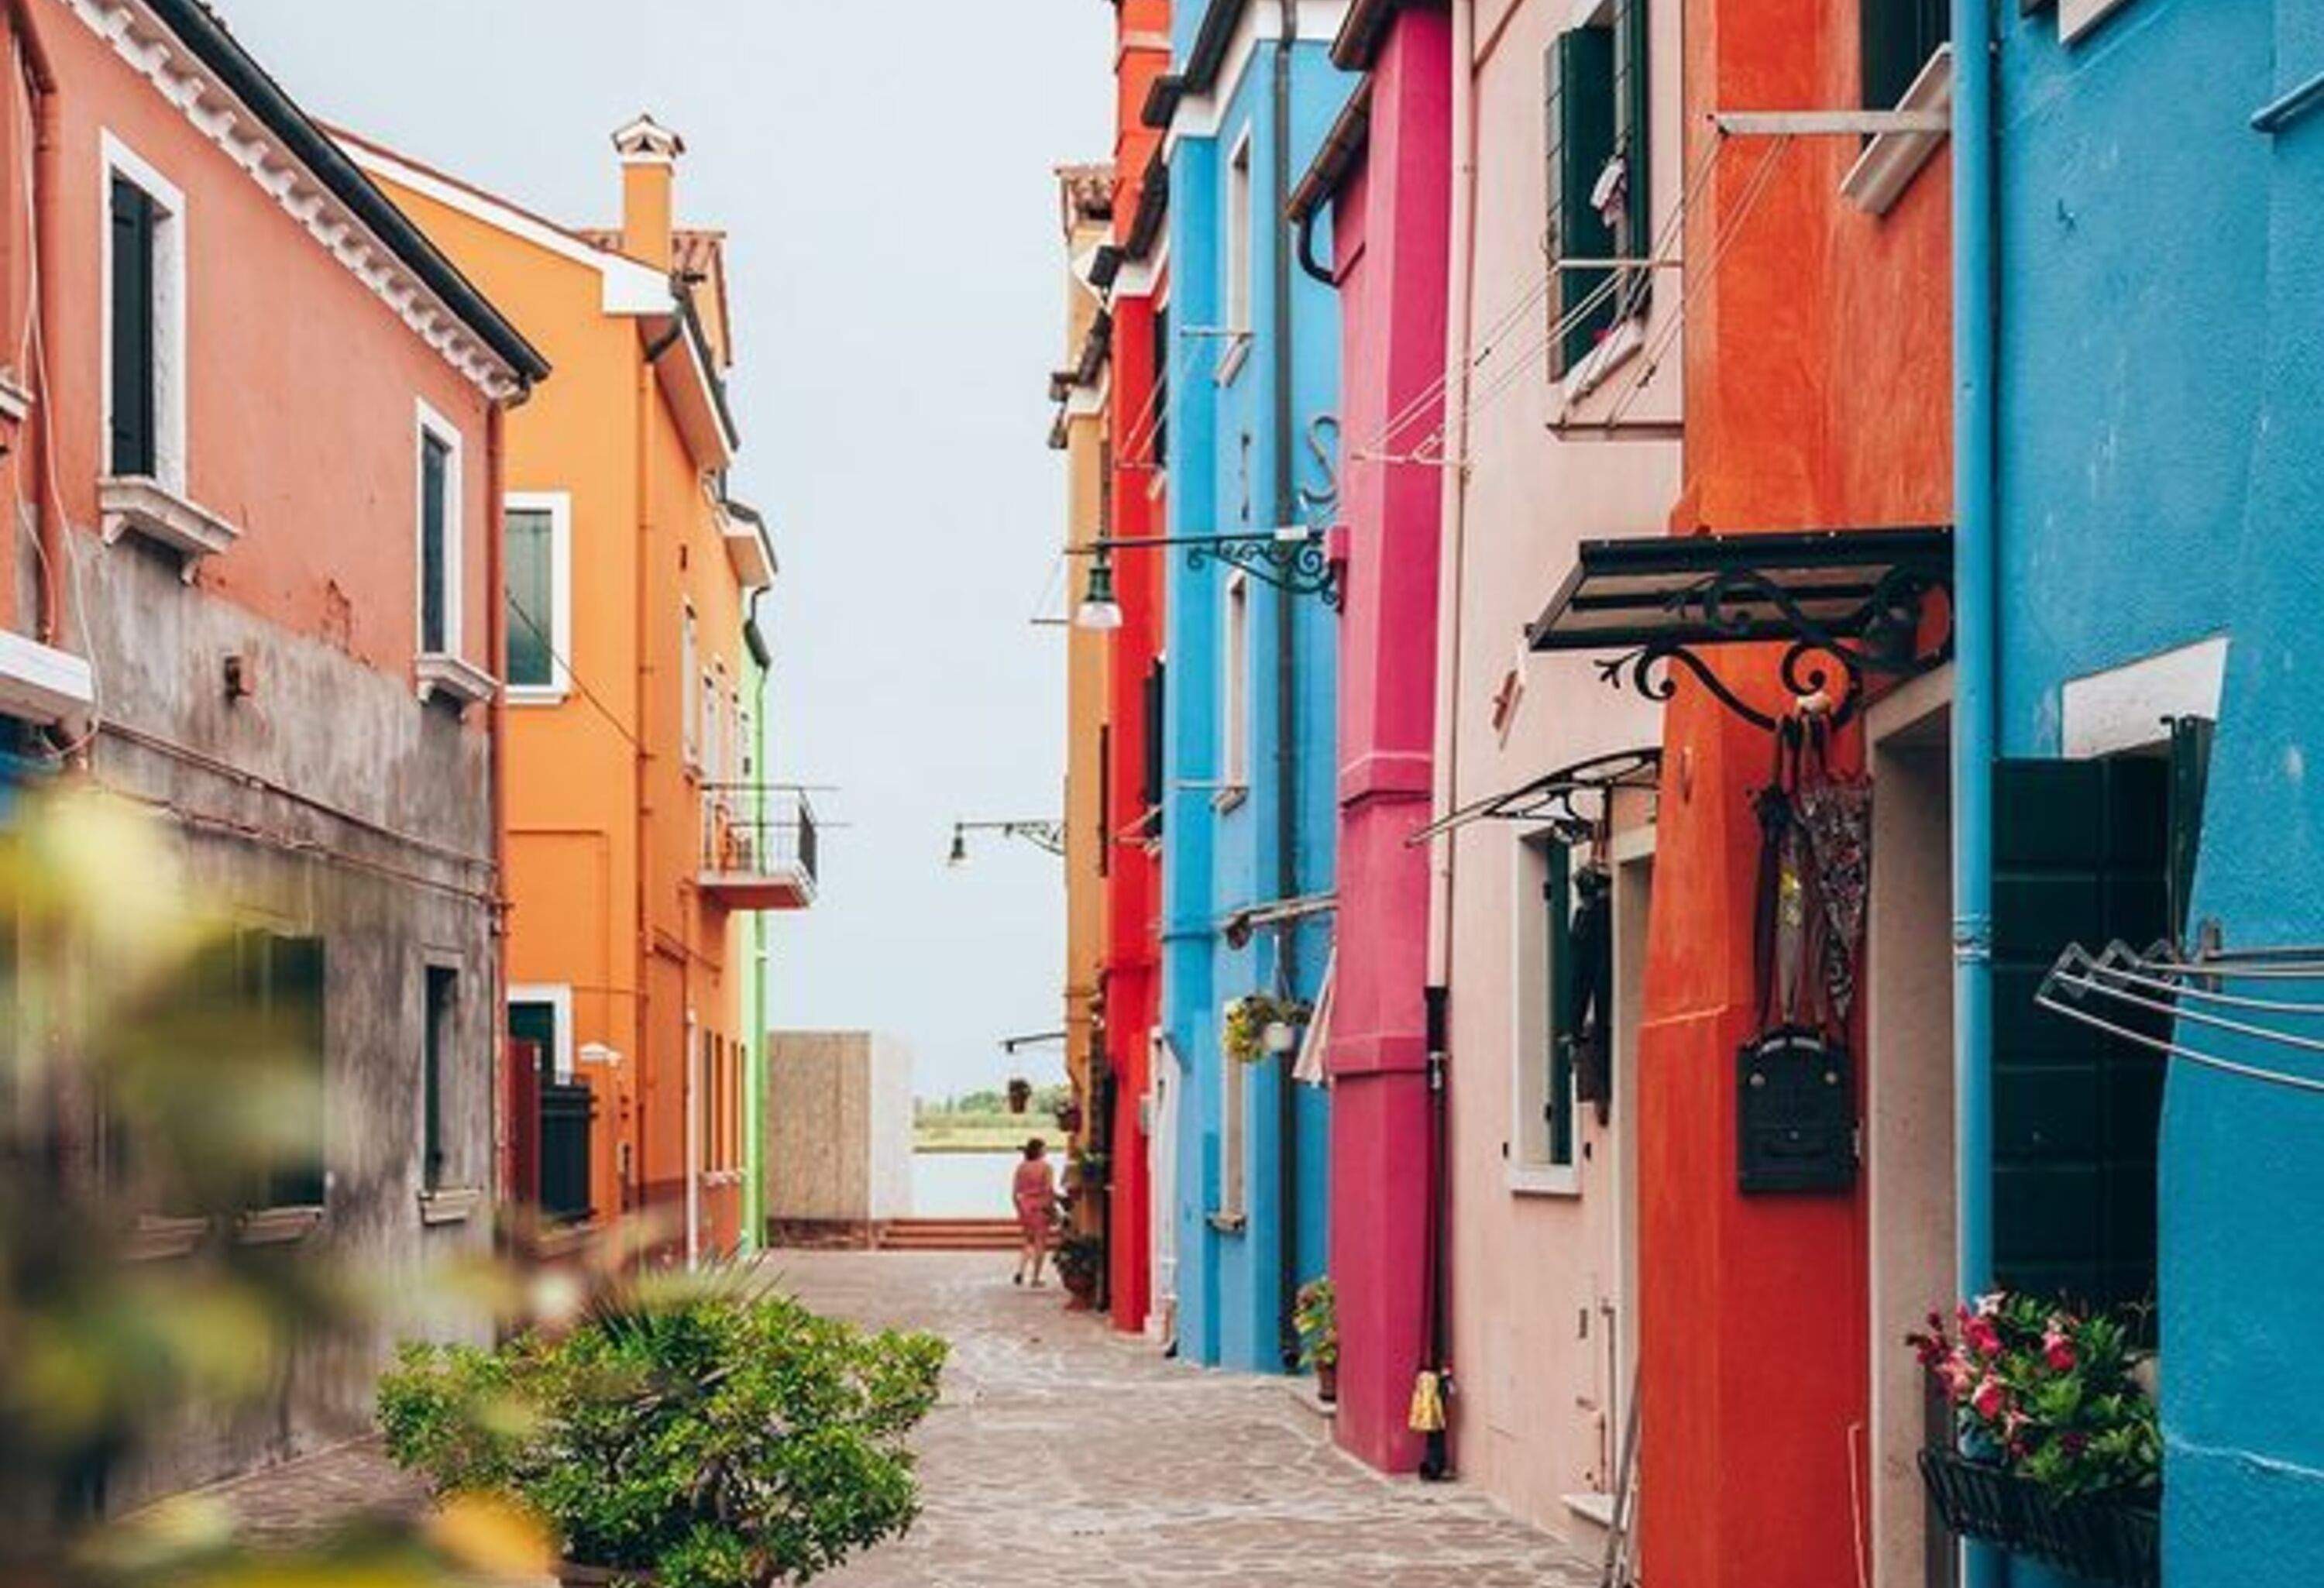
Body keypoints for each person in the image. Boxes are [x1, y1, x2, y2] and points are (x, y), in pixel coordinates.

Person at [1010, 1137, 1056, 1287]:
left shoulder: (1021, 1167)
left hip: (1025, 1205)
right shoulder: (1046, 1167)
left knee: (1028, 1241)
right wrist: (1053, 1208)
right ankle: (1035, 1278)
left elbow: (1015, 1192)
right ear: (1040, 1150)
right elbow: (1048, 1189)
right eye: (1044, 1148)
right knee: (1040, 1243)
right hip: (1040, 1205)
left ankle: (1021, 1271)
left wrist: (1019, 1209)